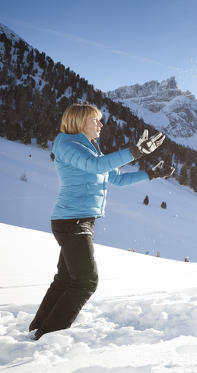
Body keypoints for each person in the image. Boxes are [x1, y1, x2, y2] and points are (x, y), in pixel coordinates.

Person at [29, 104, 175, 340]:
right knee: (86, 280)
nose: (101, 124)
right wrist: (135, 152)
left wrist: (151, 173)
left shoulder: (91, 147)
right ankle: (48, 336)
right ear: (79, 122)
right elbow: (96, 166)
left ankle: (37, 330)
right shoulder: (66, 143)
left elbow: (115, 178)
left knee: (66, 279)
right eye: (95, 120)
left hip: (81, 220)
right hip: (71, 221)